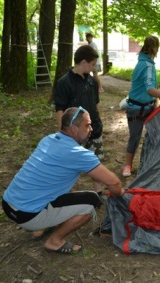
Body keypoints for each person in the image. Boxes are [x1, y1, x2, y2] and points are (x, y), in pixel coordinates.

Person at [2, 107, 124, 254]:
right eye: (87, 125)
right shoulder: (79, 154)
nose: (91, 128)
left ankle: (39, 228)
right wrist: (121, 195)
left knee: (59, 189)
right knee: (91, 201)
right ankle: (54, 241)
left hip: (9, 203)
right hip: (26, 214)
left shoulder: (48, 139)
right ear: (73, 128)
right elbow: (114, 183)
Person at [122, 35, 160, 177]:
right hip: (138, 109)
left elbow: (148, 88)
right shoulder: (147, 65)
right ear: (155, 48)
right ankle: (128, 166)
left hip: (148, 106)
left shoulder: (143, 62)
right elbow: (149, 89)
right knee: (136, 137)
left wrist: (158, 95)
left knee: (153, 135)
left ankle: (147, 163)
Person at [53, 45, 106, 197]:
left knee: (96, 161)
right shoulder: (64, 82)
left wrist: (99, 122)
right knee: (69, 165)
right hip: (74, 133)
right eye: (92, 64)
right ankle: (61, 194)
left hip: (94, 129)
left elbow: (96, 104)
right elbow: (60, 110)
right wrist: (63, 134)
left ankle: (99, 193)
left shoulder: (91, 81)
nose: (93, 67)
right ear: (83, 62)